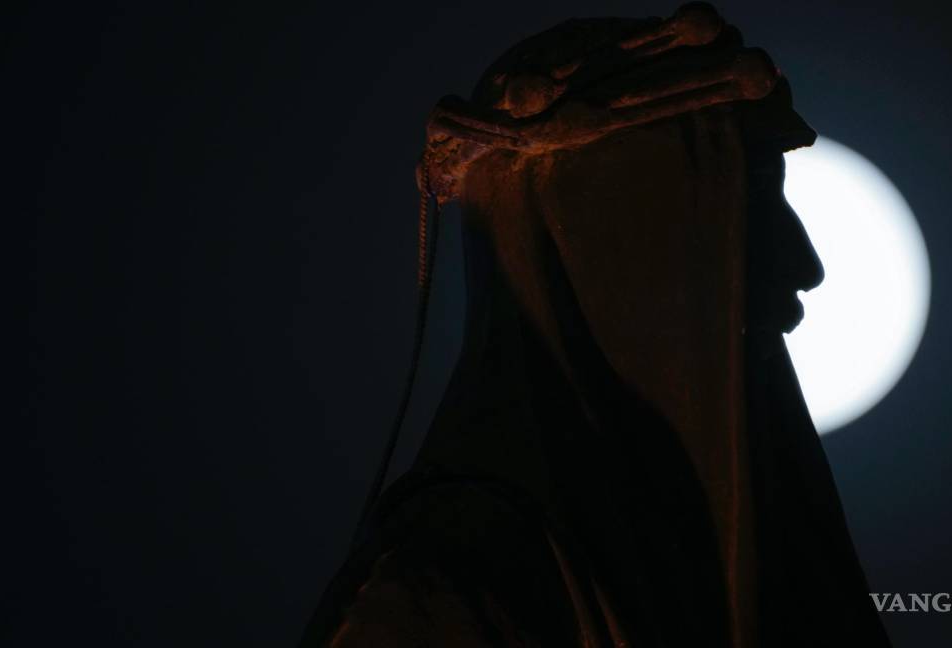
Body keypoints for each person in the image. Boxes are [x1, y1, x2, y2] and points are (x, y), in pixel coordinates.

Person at [300, 4, 892, 646]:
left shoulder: (730, 573)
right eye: (748, 205)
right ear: (626, 240)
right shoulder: (451, 590)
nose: (806, 267)